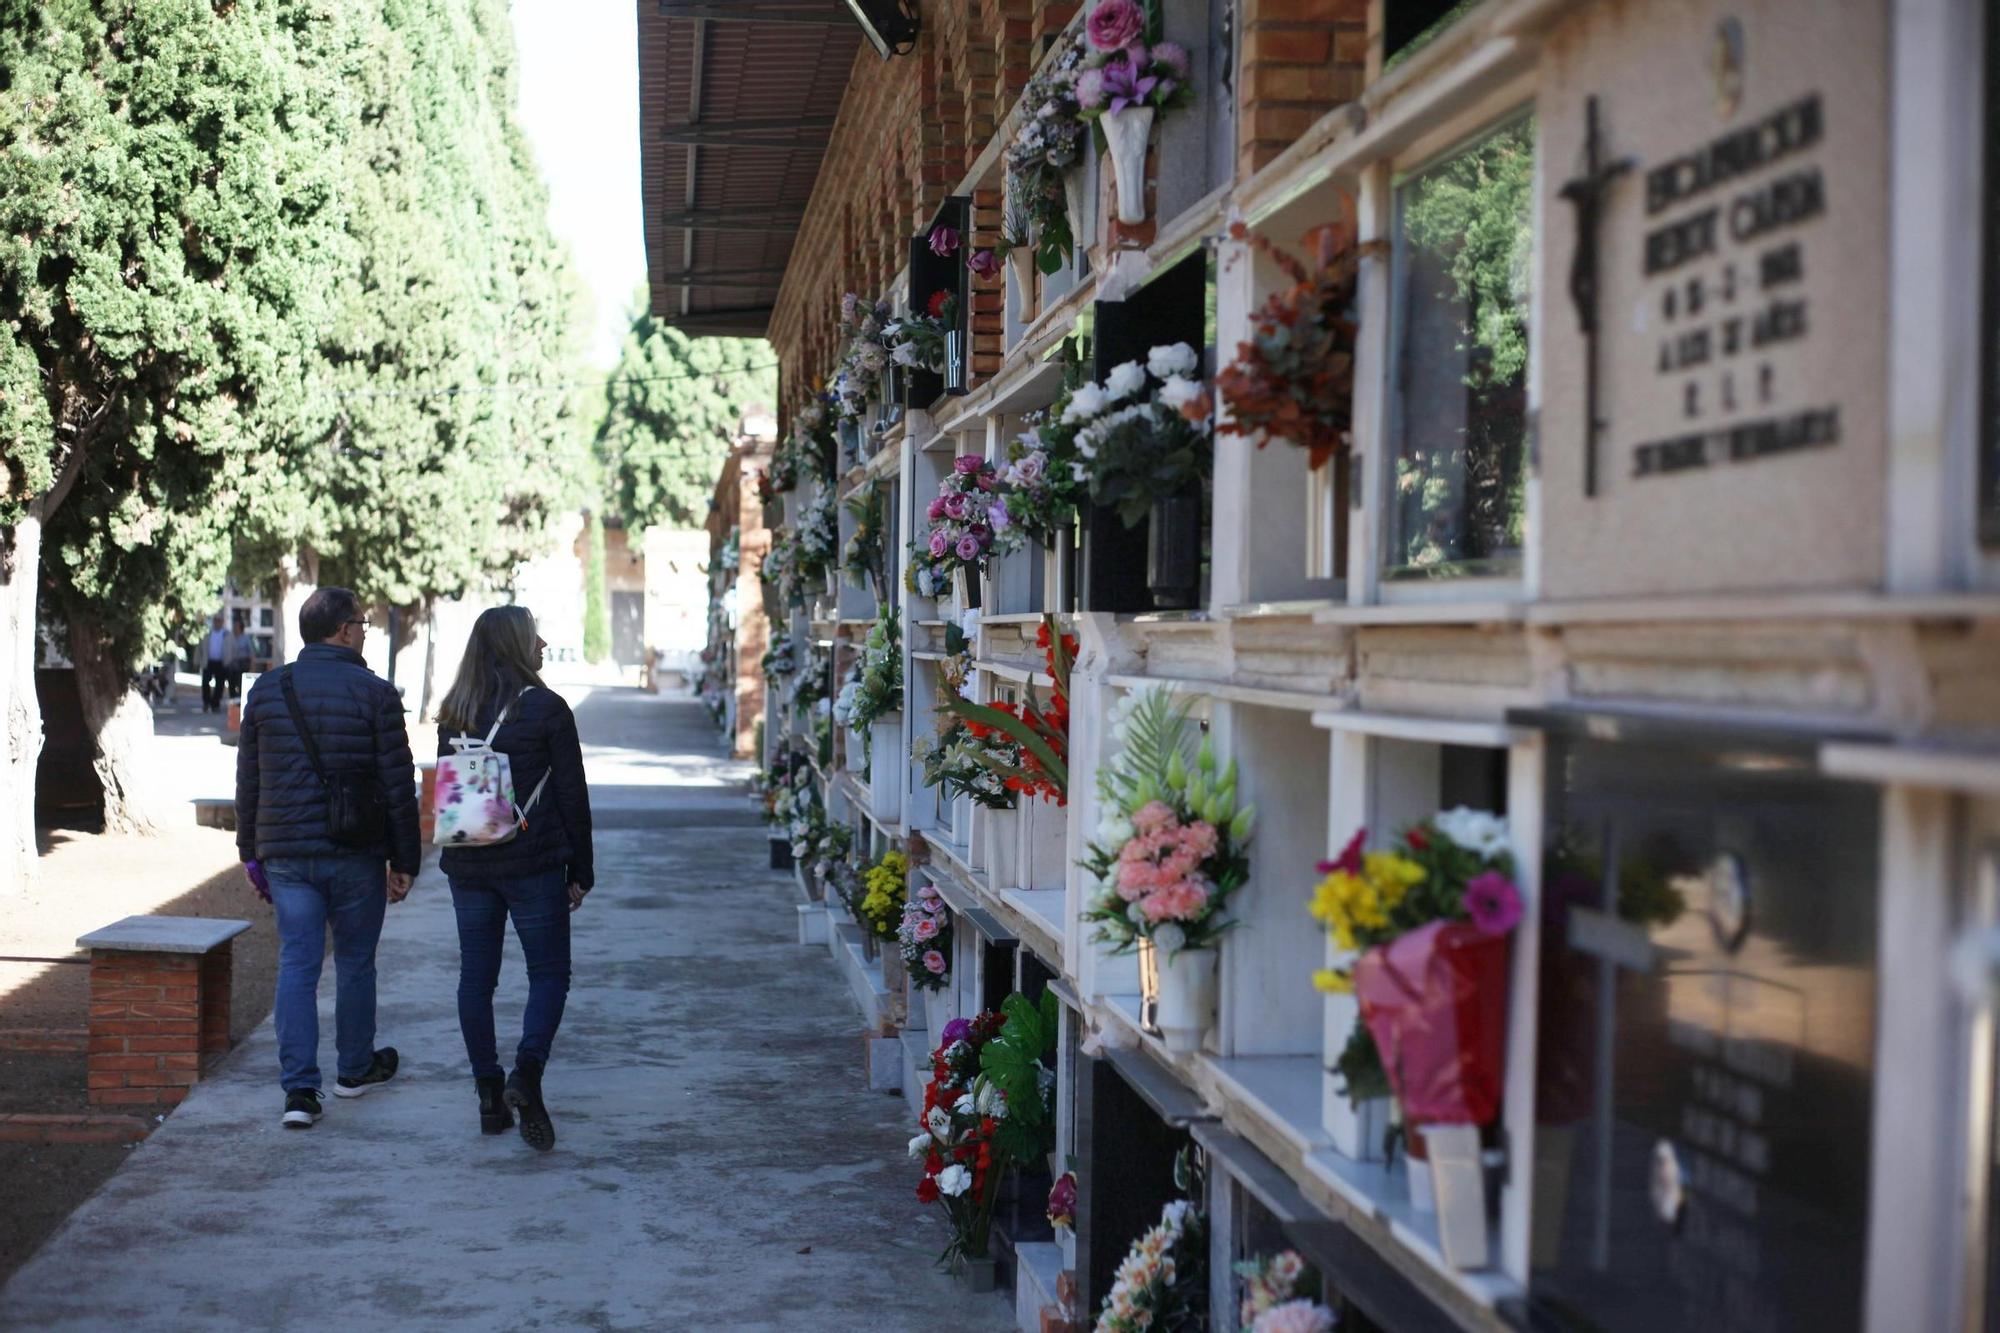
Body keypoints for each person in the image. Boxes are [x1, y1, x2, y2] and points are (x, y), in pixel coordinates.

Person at [235, 588, 421, 1129]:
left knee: (297, 963)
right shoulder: (377, 693)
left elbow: (250, 779)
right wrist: (404, 859)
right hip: (356, 852)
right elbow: (397, 784)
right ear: (343, 630)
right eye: (361, 624)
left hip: (288, 854)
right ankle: (355, 1070)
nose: (365, 631)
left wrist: (251, 853)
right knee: (356, 961)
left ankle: (299, 1092)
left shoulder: (269, 691)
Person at [435, 605, 593, 1152]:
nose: (544, 641)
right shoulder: (548, 709)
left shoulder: (455, 710)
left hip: (469, 865)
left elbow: (449, 793)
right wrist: (582, 869)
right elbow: (572, 793)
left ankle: (487, 1094)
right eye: (535, 635)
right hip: (533, 864)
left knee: (476, 981)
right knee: (549, 973)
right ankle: (526, 1074)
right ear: (517, 645)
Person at [200, 615, 232, 714]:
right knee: (205, 682)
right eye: (216, 621)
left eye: (219, 621)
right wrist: (197, 661)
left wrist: (229, 661)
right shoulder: (208, 634)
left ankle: (215, 704)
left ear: (222, 622)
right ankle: (206, 702)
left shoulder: (227, 635)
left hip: (221, 663)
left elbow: (232, 649)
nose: (217, 623)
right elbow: (200, 648)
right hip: (209, 662)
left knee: (220, 685)